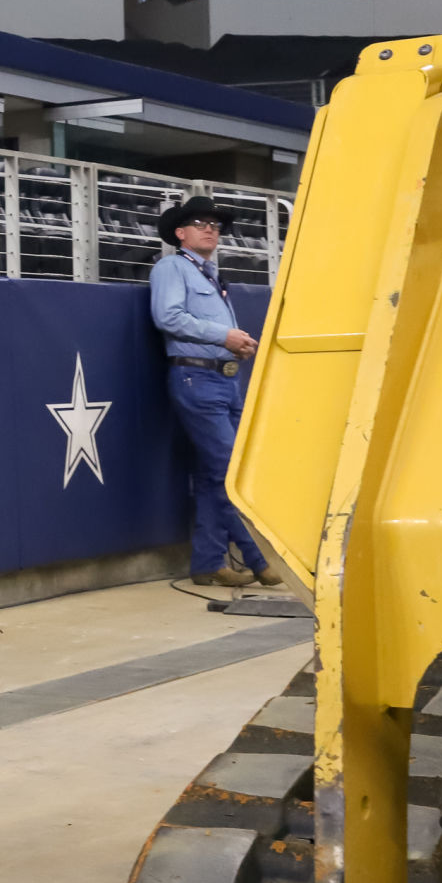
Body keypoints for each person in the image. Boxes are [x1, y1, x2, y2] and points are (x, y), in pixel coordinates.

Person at [149, 196, 282, 589]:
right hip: (198, 379)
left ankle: (209, 562)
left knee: (213, 475)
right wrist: (224, 335)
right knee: (229, 472)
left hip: (222, 378)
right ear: (180, 232)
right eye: (200, 223)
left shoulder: (206, 273)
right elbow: (168, 316)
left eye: (215, 224)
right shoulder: (173, 267)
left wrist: (230, 344)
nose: (211, 228)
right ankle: (259, 560)